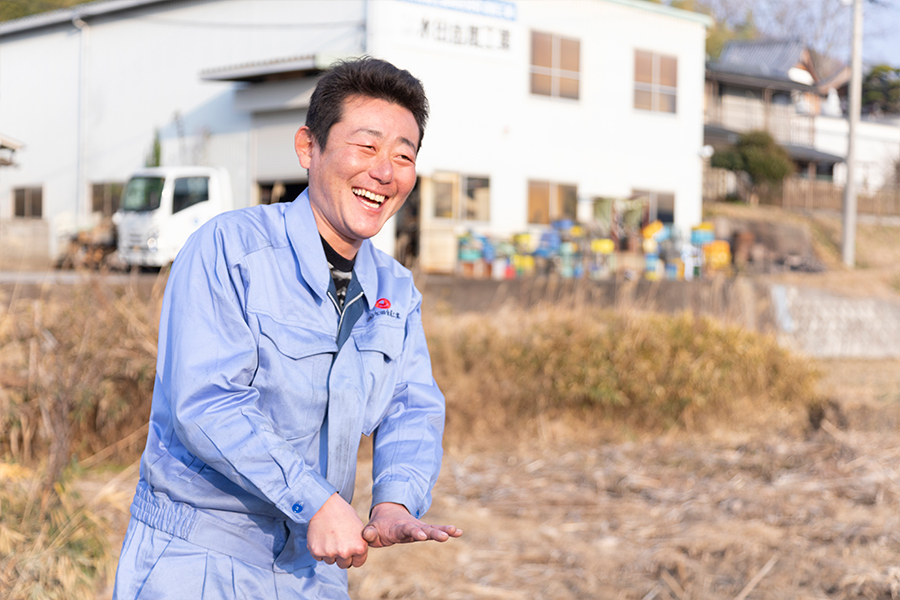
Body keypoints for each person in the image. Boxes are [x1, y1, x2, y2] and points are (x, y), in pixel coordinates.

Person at [113, 57, 461, 600]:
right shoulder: (230, 251)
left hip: (313, 566)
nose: (385, 172)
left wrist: (394, 500)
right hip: (201, 559)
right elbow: (208, 404)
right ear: (308, 148)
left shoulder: (395, 288)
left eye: (403, 155)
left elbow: (411, 405)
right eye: (366, 147)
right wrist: (317, 501)